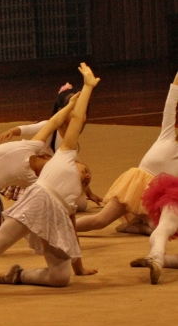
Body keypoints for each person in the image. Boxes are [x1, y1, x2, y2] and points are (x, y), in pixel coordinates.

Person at [0, 64, 100, 298]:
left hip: (55, 215)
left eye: (87, 179)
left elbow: (71, 231)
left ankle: (18, 275)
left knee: (61, 278)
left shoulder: (72, 201)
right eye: (85, 170)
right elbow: (75, 121)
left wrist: (79, 268)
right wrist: (87, 88)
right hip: (38, 200)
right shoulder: (65, 155)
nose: (86, 175)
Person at [75, 71, 178, 238]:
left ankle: (138, 224)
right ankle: (60, 227)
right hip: (134, 186)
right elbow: (172, 100)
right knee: (100, 221)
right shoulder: (168, 135)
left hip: (156, 200)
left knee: (162, 229)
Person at [0, 82, 102, 211]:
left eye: (82, 110)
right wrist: (13, 131)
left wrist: (89, 193)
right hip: (33, 176)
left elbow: (75, 170)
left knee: (81, 204)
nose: (79, 113)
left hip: (52, 178)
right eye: (75, 109)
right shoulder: (50, 126)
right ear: (61, 111)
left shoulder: (72, 139)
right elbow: (29, 128)